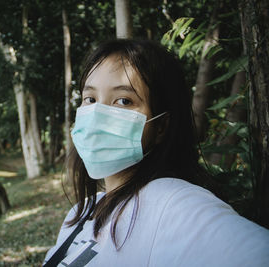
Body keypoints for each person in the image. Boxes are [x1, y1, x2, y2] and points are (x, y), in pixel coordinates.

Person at [43, 39, 269, 267]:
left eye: (123, 101)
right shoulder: (84, 210)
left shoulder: (175, 204)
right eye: (90, 99)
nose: (97, 114)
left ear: (160, 126)